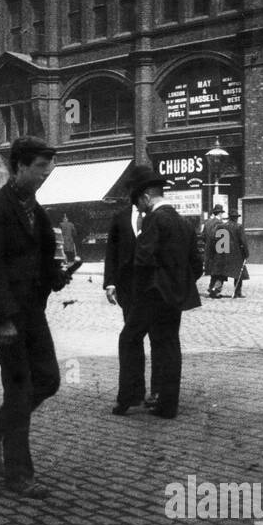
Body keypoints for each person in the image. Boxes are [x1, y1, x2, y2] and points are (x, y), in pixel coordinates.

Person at [0, 136, 73, 499]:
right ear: (20, 167)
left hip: (32, 312)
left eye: (50, 166)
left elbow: (43, 259)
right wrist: (5, 321)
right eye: (42, 167)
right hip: (5, 317)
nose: (48, 174)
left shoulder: (37, 210)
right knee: (19, 391)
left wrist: (56, 277)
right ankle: (18, 475)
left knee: (48, 380)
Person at [117, 166, 202, 419]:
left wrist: (142, 291)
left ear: (145, 197)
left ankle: (129, 397)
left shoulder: (154, 220)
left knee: (129, 339)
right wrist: (176, 283)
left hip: (151, 296)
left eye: (138, 203)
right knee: (169, 345)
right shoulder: (184, 223)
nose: (139, 209)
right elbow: (196, 266)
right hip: (174, 297)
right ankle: (168, 405)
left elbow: (142, 260)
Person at [106, 163, 155, 414]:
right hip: (128, 289)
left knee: (151, 341)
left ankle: (154, 394)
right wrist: (110, 282)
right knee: (132, 341)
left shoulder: (159, 217)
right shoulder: (120, 218)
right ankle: (135, 392)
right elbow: (111, 252)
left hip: (154, 291)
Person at [202, 204, 233, 298]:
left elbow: (203, 236)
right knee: (221, 271)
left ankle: (211, 287)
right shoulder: (220, 224)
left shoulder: (207, 223)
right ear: (220, 213)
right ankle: (216, 290)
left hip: (208, 251)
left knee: (213, 271)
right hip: (218, 251)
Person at [225, 212, 249, 298]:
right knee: (239, 273)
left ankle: (215, 289)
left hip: (225, 251)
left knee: (221, 272)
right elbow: (243, 241)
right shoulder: (238, 226)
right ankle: (237, 291)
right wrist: (246, 253)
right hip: (237, 252)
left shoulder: (224, 226)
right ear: (236, 218)